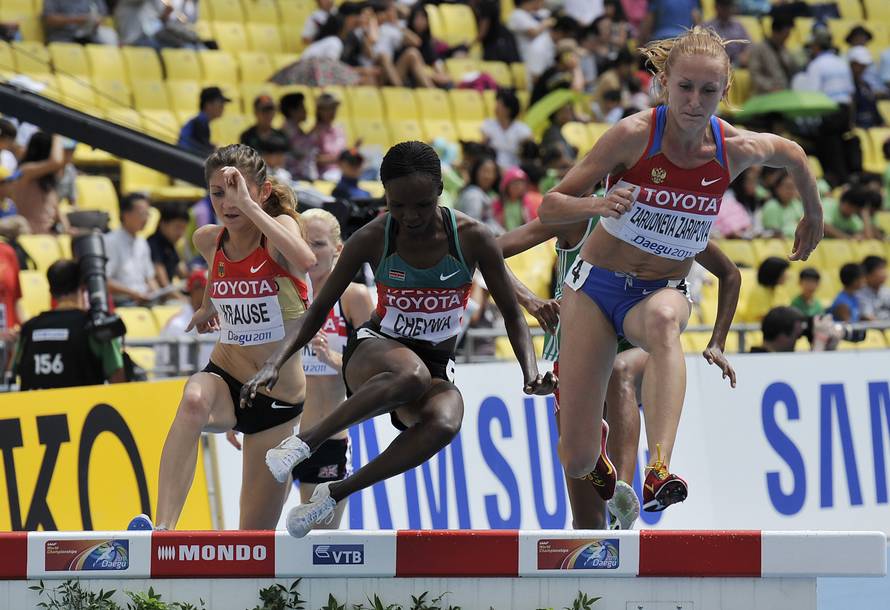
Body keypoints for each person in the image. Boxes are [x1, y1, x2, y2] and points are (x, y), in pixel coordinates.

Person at [538, 26, 822, 514]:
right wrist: (601, 204)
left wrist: (813, 213)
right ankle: (604, 470)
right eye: (685, 87)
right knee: (577, 455)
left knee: (668, 320)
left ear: (725, 91)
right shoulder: (632, 135)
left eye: (709, 91)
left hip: (660, 290)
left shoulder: (732, 148)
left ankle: (658, 469)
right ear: (664, 82)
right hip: (593, 290)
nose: (695, 101)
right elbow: (549, 206)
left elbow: (794, 154)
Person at [241, 141, 555, 538]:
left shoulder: (473, 237)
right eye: (398, 205)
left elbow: (512, 311)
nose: (410, 217)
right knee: (411, 374)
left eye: (422, 205)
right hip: (374, 351)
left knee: (445, 420)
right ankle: (305, 443)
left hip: (435, 365)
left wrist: (530, 373)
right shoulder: (372, 238)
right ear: (385, 196)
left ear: (440, 191)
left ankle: (334, 493)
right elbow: (318, 309)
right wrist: (274, 362)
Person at [499, 217, 741, 529]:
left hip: (637, 344)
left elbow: (730, 273)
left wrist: (718, 341)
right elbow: (488, 252)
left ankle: (628, 492)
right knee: (585, 514)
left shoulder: (663, 215)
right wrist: (530, 301)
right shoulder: (577, 216)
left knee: (619, 370)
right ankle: (603, 480)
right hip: (577, 354)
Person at [130, 144, 316, 532]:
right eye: (218, 192)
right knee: (193, 400)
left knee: (253, 537)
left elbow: (305, 260)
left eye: (237, 190)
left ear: (261, 192)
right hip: (226, 375)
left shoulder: (280, 230)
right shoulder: (209, 240)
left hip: (276, 400)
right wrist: (209, 306)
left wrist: (249, 207)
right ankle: (161, 530)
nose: (227, 202)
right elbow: (224, 273)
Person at [229, 209, 374, 528]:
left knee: (321, 548)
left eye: (319, 244)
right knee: (254, 538)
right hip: (276, 435)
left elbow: (373, 373)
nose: (310, 252)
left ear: (339, 249)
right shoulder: (280, 294)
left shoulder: (354, 298)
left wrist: (334, 360)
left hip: (325, 441)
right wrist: (234, 410)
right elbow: (248, 355)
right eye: (303, 242)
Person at [13, 260, 125, 390]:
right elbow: (117, 378)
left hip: (37, 409)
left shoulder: (28, 328)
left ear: (50, 291)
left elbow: (14, 370)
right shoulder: (95, 327)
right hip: (83, 408)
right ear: (83, 287)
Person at [103, 193, 161, 306]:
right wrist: (133, 294)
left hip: (142, 299)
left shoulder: (142, 242)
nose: (146, 219)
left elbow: (149, 278)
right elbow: (105, 280)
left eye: (147, 214)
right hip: (122, 302)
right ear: (126, 215)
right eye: (142, 214)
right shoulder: (110, 241)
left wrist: (157, 293)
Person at [7, 133, 67, 235]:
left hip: (49, 239)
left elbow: (58, 214)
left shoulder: (48, 182)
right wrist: (57, 136)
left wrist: (66, 230)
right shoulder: (25, 172)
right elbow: (56, 161)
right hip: (28, 240)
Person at [481, 90, 533, 170]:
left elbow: (530, 151)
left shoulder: (522, 129)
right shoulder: (488, 125)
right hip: (494, 169)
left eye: (499, 105)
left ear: (508, 109)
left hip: (516, 168)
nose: (496, 108)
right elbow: (482, 148)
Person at [748, 15, 798, 95]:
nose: (787, 38)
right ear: (776, 32)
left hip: (785, 92)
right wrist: (770, 87)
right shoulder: (759, 49)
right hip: (766, 94)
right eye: (785, 34)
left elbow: (793, 70)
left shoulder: (784, 49)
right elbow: (755, 74)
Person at [178, 87, 232, 156]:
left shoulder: (199, 122)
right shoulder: (199, 123)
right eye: (220, 103)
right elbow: (202, 151)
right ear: (208, 105)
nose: (223, 107)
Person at [147, 203, 190, 289]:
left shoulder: (170, 244)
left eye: (183, 229)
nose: (180, 233)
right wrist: (183, 299)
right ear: (163, 224)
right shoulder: (153, 244)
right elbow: (163, 283)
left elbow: (182, 272)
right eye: (177, 227)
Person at [456, 156, 502, 234]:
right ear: (476, 171)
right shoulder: (473, 195)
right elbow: (472, 225)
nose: (488, 176)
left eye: (492, 172)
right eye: (485, 171)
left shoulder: (488, 194)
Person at [280, 93, 318, 182]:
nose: (305, 110)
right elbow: (301, 152)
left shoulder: (296, 127)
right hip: (295, 177)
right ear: (292, 111)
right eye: (302, 107)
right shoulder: (288, 129)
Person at [42, 0, 118, 45]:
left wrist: (96, 20)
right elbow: (49, 19)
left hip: (89, 36)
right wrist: (78, 19)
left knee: (107, 49)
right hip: (62, 37)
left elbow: (102, 15)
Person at [312, 93, 348, 181]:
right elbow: (313, 159)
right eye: (327, 109)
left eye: (333, 108)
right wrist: (339, 159)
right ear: (319, 111)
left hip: (342, 171)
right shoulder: (315, 132)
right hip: (325, 173)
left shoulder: (339, 129)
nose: (332, 111)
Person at [742, 256, 790, 323]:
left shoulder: (780, 290)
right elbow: (762, 318)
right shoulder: (759, 292)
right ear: (774, 273)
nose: (787, 276)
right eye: (784, 273)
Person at [702, 0, 749, 66]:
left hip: (737, 62)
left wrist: (746, 54)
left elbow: (749, 45)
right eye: (723, 5)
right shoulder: (707, 27)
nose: (726, 9)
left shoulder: (738, 26)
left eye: (728, 6)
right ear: (716, 7)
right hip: (713, 62)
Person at [760, 170, 804, 239]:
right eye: (788, 187)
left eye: (793, 187)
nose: (791, 191)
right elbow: (773, 235)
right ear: (777, 188)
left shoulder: (797, 205)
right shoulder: (771, 207)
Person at [857, 255, 890, 321]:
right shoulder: (860, 294)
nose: (884, 273)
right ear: (868, 274)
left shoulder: (886, 291)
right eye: (880, 269)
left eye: (884, 268)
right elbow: (868, 317)